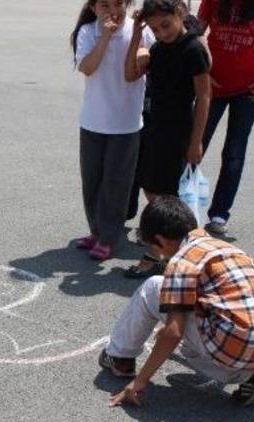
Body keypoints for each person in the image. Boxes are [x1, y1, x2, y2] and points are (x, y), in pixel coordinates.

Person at [100, 196, 254, 407]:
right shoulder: (226, 248)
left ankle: (120, 357)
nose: (158, 255)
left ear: (162, 240)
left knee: (153, 286)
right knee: (190, 340)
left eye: (155, 248)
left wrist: (140, 381)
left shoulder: (182, 260)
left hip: (232, 346)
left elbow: (174, 333)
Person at [123, 0, 211, 278]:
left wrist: (196, 141)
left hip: (178, 133)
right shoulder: (158, 49)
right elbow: (129, 74)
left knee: (171, 200)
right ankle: (172, 251)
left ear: (180, 14)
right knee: (151, 189)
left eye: (166, 24)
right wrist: (137, 35)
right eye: (154, 28)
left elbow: (205, 96)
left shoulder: (193, 49)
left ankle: (158, 256)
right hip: (153, 129)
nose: (162, 32)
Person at [197, 0, 254, 235]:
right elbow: (197, 32)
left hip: (250, 89)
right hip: (213, 86)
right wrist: (204, 70)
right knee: (195, 145)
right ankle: (177, 207)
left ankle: (219, 214)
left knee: (234, 152)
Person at [71, 0, 155, 261]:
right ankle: (96, 231)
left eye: (118, 4)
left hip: (126, 123)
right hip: (93, 120)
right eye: (105, 5)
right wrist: (105, 37)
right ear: (94, 8)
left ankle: (109, 237)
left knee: (116, 183)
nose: (112, 11)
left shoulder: (139, 29)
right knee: (92, 182)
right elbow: (87, 67)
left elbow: (151, 59)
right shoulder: (87, 32)